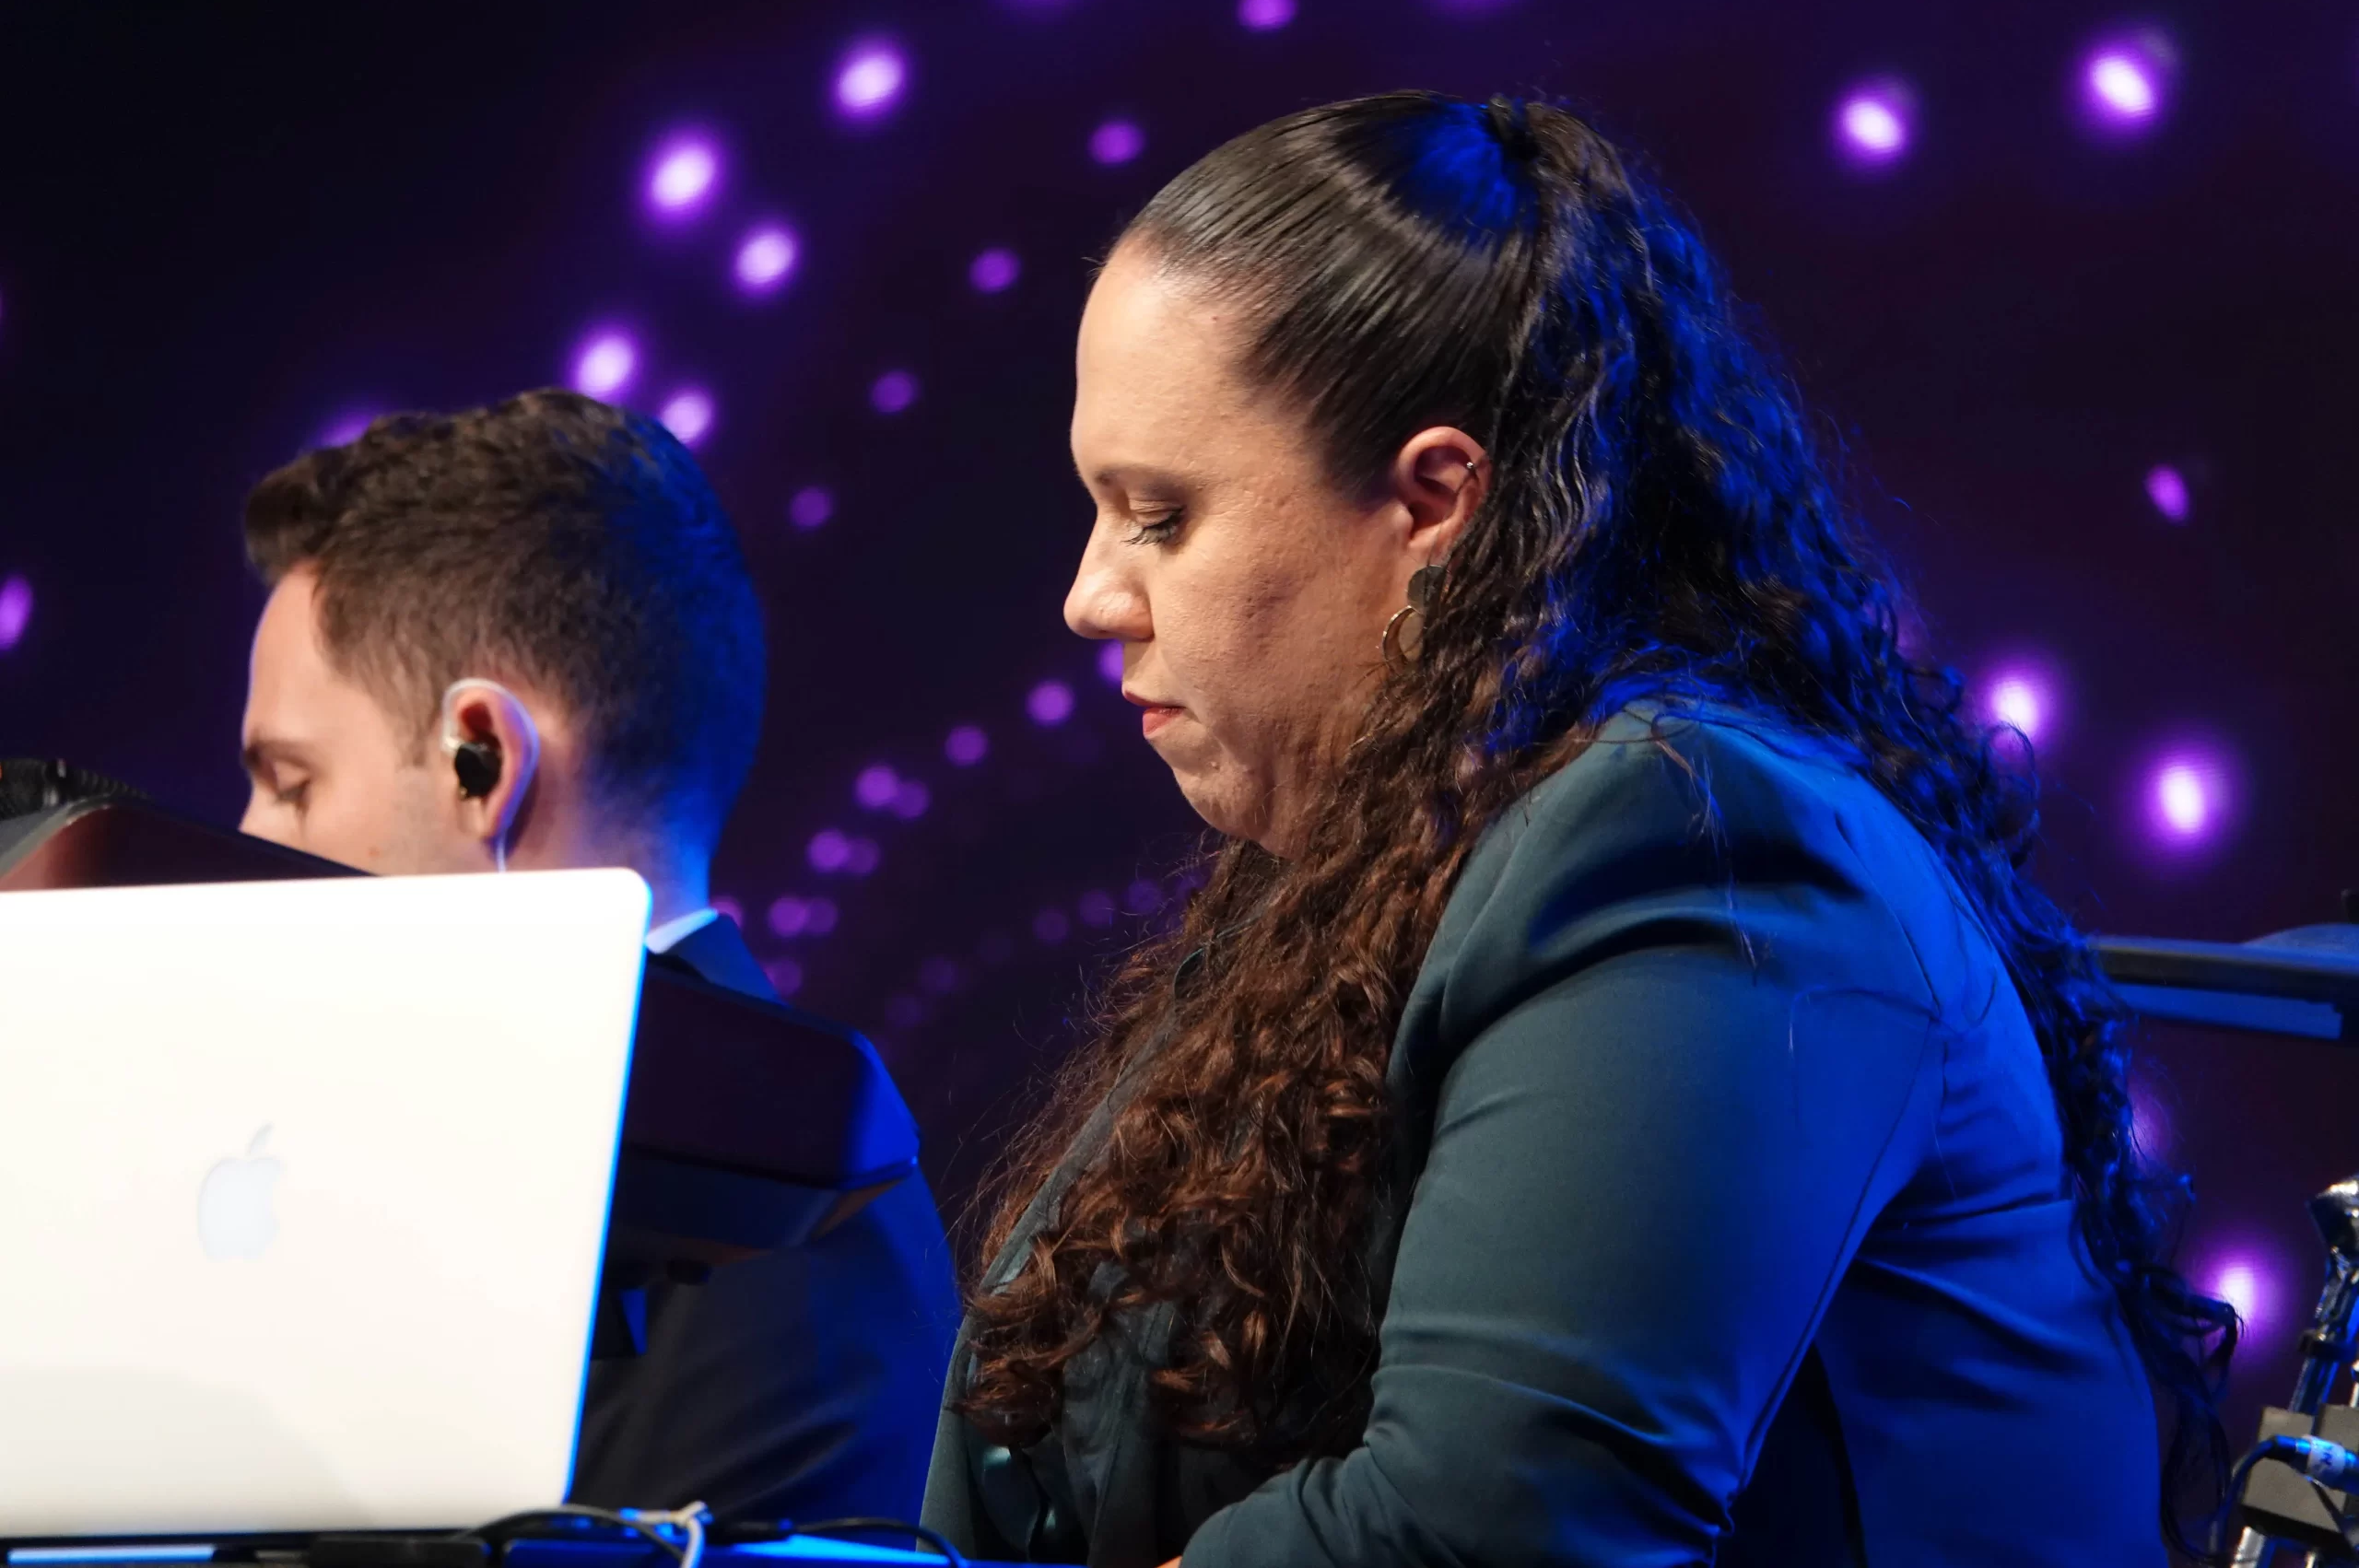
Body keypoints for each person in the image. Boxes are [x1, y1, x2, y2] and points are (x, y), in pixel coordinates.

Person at [921, 93, 2236, 1567]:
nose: (1090, 595)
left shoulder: (1692, 842)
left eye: (1159, 515)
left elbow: (1493, 1525)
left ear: (1433, 500)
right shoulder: (1359, 878)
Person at [235, 388, 960, 1524]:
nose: (247, 839)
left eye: (290, 783)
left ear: (482, 758)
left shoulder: (772, 1226)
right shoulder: (753, 1174)